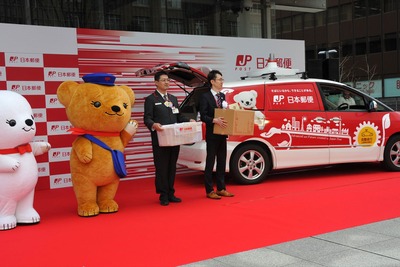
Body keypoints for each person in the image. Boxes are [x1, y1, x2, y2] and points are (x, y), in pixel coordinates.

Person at [144, 71, 194, 206]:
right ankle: (163, 195)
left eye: (168, 80)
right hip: (160, 139)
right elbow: (147, 118)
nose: (167, 82)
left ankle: (171, 193)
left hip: (174, 139)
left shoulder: (172, 98)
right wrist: (153, 124)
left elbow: (178, 116)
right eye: (163, 80)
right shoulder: (151, 99)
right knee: (162, 167)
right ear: (156, 82)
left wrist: (189, 120)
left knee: (172, 167)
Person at [199, 70, 234, 200]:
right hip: (212, 133)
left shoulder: (222, 96)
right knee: (210, 161)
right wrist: (214, 120)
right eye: (219, 79)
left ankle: (221, 188)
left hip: (222, 133)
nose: (221, 82)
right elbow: (203, 116)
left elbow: (223, 113)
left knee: (222, 161)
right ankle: (209, 190)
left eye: (222, 79)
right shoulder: (205, 96)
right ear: (212, 81)